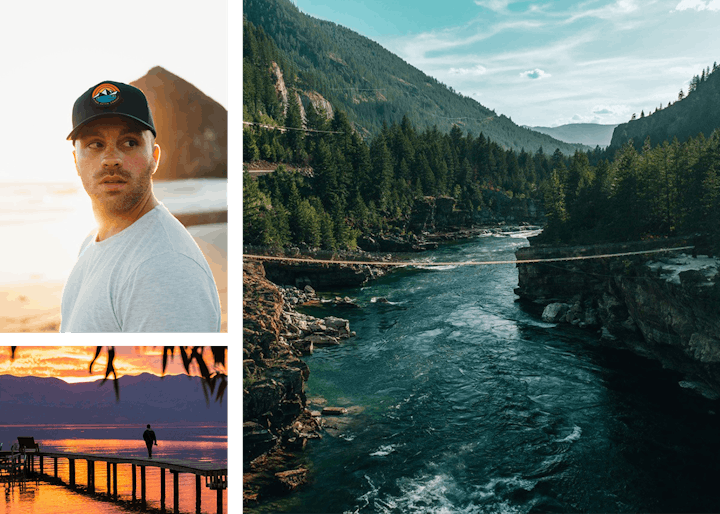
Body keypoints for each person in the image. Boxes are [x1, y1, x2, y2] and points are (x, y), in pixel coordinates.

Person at [60, 80, 221, 332]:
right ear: (75, 161)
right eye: (95, 145)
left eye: (129, 143)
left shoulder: (165, 268)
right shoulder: (92, 242)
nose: (111, 160)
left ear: (154, 157)